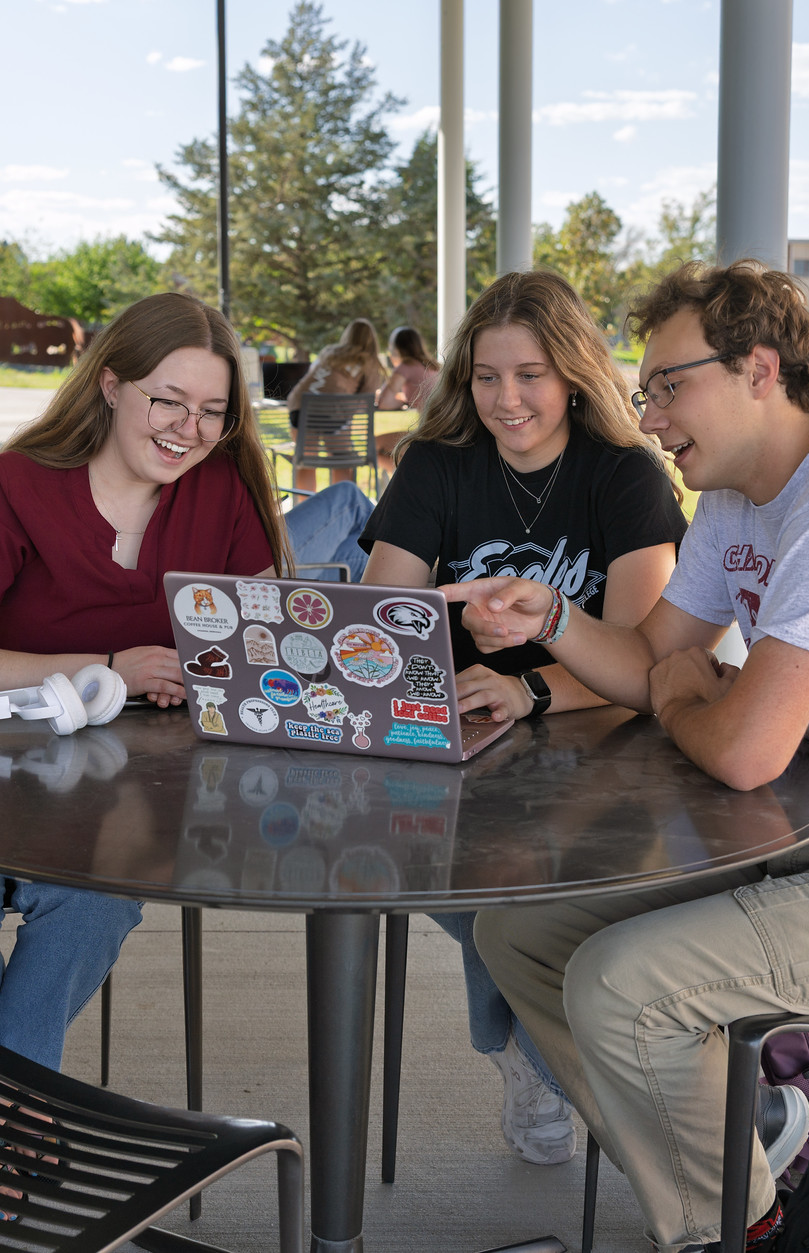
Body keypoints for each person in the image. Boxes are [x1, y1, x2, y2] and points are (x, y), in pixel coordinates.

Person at [450, 260, 809, 1253]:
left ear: (758, 369)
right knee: (517, 938)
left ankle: (734, 1230)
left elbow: (740, 753)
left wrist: (694, 694)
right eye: (646, 393)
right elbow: (654, 666)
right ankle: (734, 1193)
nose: (647, 417)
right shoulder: (735, 499)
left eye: (667, 386)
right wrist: (551, 613)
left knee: (624, 986)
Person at [0, 292, 294, 1076]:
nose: (186, 430)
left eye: (211, 411)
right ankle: (21, 1115)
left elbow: (271, 647)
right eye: (167, 400)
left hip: (110, 791)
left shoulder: (222, 492)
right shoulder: (9, 485)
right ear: (111, 385)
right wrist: (110, 670)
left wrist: (217, 669)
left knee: (97, 898)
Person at [359, 270, 688, 1166]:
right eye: (488, 376)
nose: (507, 399)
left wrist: (531, 686)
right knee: (473, 874)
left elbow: (641, 655)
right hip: (461, 735)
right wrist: (440, 621)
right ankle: (542, 1060)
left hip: (599, 741)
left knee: (519, 889)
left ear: (574, 373)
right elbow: (377, 617)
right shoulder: (437, 463)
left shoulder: (625, 475)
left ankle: (535, 1055)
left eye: (531, 374)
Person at [286, 317, 386, 492]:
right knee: (342, 460)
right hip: (333, 415)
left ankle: (306, 506)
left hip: (299, 408)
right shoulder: (370, 362)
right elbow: (366, 401)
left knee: (306, 460)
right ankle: (341, 506)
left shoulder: (328, 352)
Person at [374, 324, 441, 472]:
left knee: (372, 445)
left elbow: (384, 402)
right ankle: (411, 480)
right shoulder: (433, 366)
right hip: (442, 429)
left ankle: (407, 481)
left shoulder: (406, 365)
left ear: (397, 348)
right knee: (396, 455)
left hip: (429, 433)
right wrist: (405, 398)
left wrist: (402, 399)